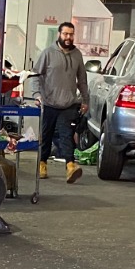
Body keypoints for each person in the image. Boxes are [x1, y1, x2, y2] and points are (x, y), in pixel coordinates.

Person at [30, 20, 90, 183]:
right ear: (59, 34)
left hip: (68, 103)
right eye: (65, 34)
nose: (68, 37)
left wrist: (85, 100)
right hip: (49, 103)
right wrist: (37, 94)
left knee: (66, 135)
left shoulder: (77, 55)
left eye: (71, 34)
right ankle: (42, 164)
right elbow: (35, 75)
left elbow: (82, 80)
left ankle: (70, 166)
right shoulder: (48, 53)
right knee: (46, 135)